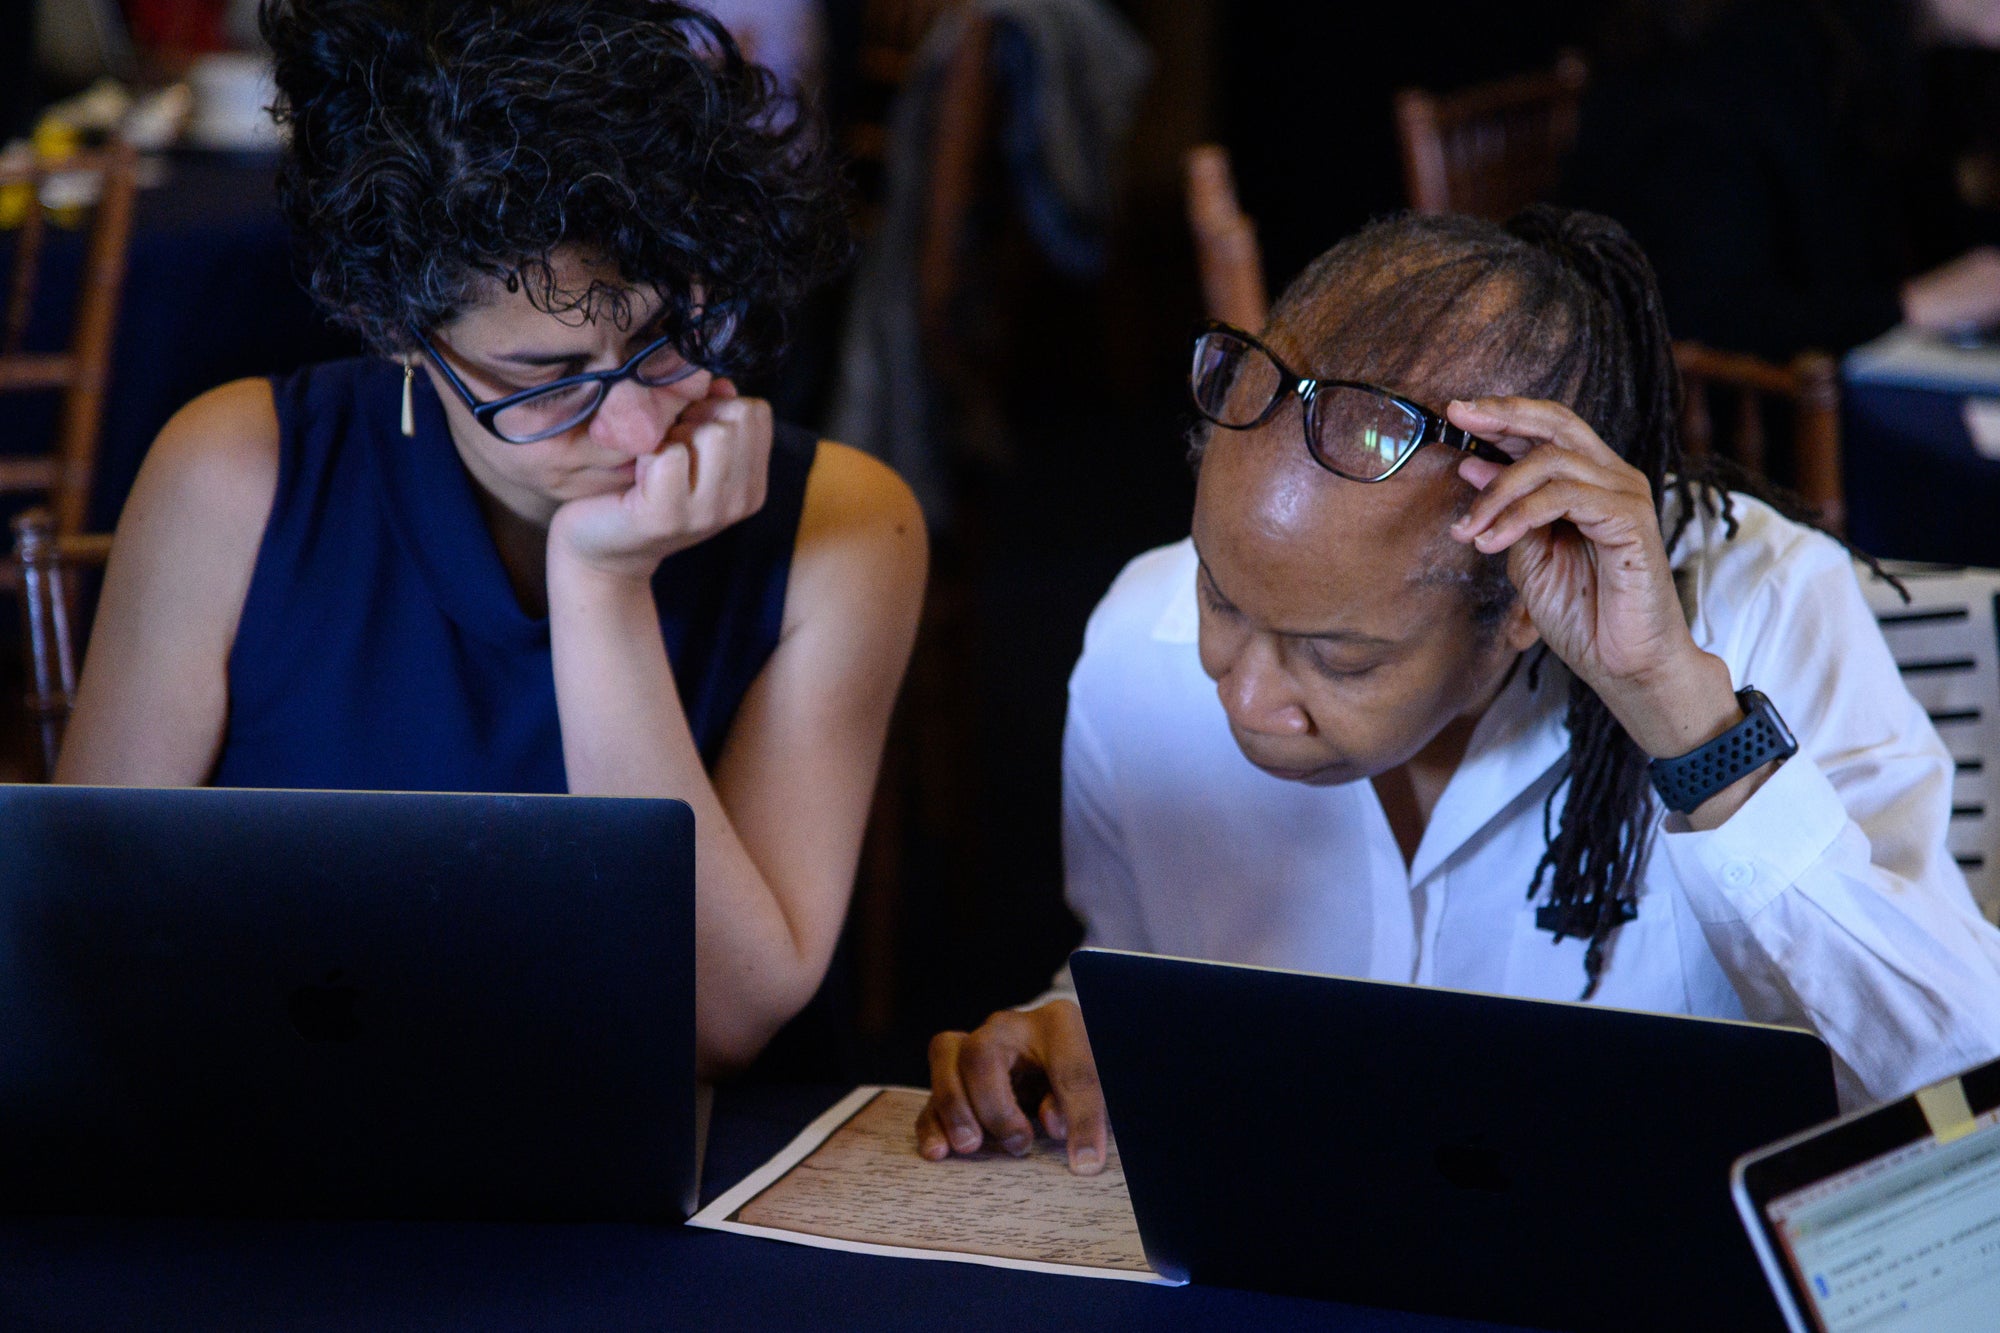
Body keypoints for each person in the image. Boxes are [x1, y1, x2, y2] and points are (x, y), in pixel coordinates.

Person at [920, 206, 2000, 1174]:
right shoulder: (1131, 647)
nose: (1245, 696)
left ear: (1521, 600)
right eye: (1218, 596)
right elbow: (1151, 972)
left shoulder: (1765, 607)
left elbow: (1961, 1094)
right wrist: (1069, 1030)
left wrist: (1680, 717)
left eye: (1338, 658)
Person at [57, 0, 927, 1077]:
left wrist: (602, 588)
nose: (636, 427)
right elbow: (81, 937)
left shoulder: (847, 526)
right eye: (548, 379)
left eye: (669, 336)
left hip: (674, 1184)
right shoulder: (236, 471)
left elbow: (711, 1021)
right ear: (397, 334)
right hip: (282, 1147)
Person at [1564, 0, 2000, 360]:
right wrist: (1910, 307)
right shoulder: (1734, 65)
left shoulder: (1901, 58)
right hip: (1726, 420)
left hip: (1838, 384)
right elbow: (1701, 316)